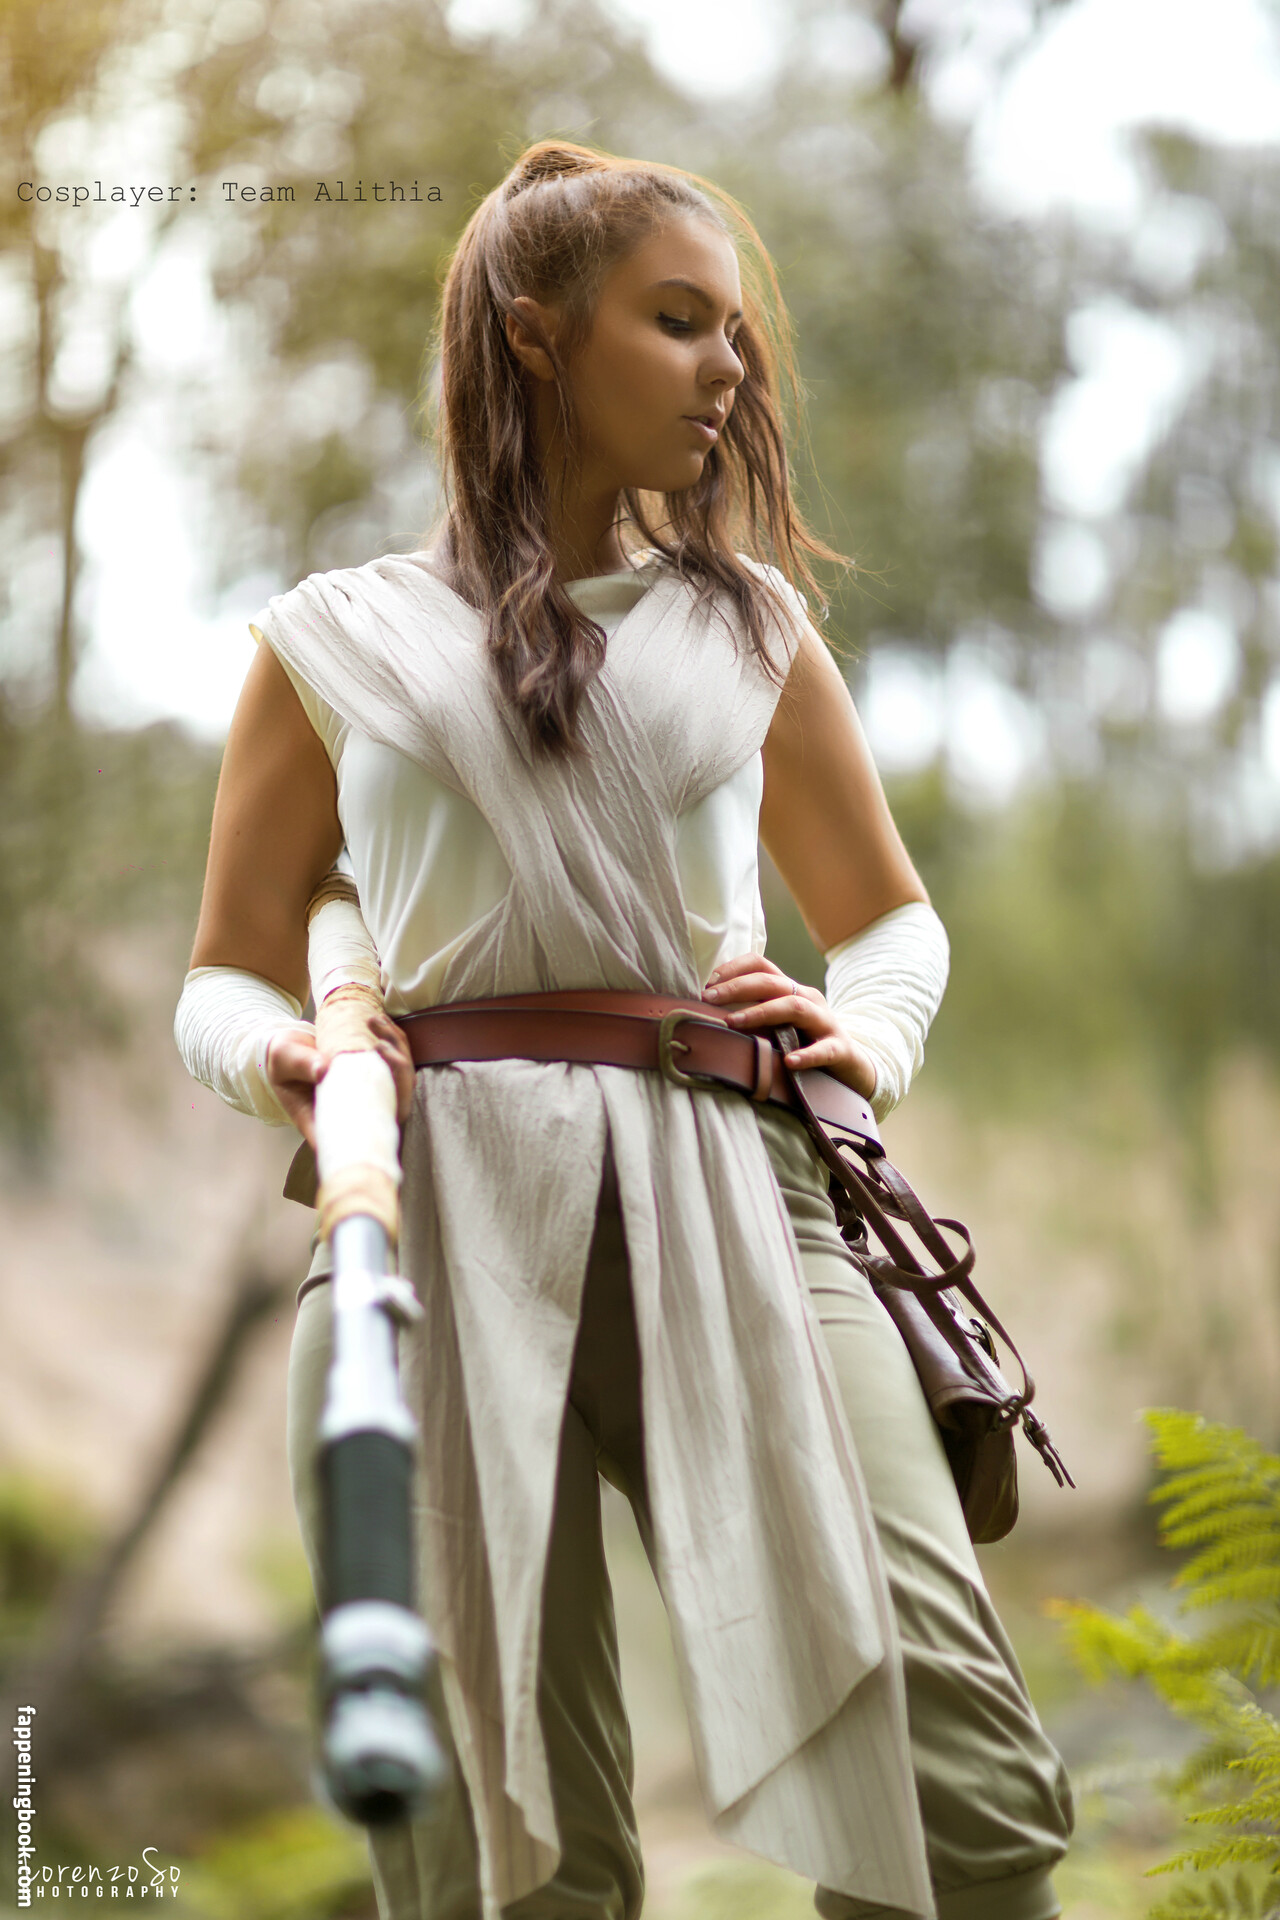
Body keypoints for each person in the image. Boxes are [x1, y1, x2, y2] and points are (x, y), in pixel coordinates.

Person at [175, 140, 1073, 1920]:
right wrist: (276, 1058)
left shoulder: (751, 633)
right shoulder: (329, 644)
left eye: (733, 330)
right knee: (511, 1861)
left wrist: (866, 1035)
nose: (729, 367)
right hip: (426, 1228)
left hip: (746, 1195)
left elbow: (891, 919)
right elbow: (224, 975)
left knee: (960, 1799)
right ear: (535, 333)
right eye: (678, 322)